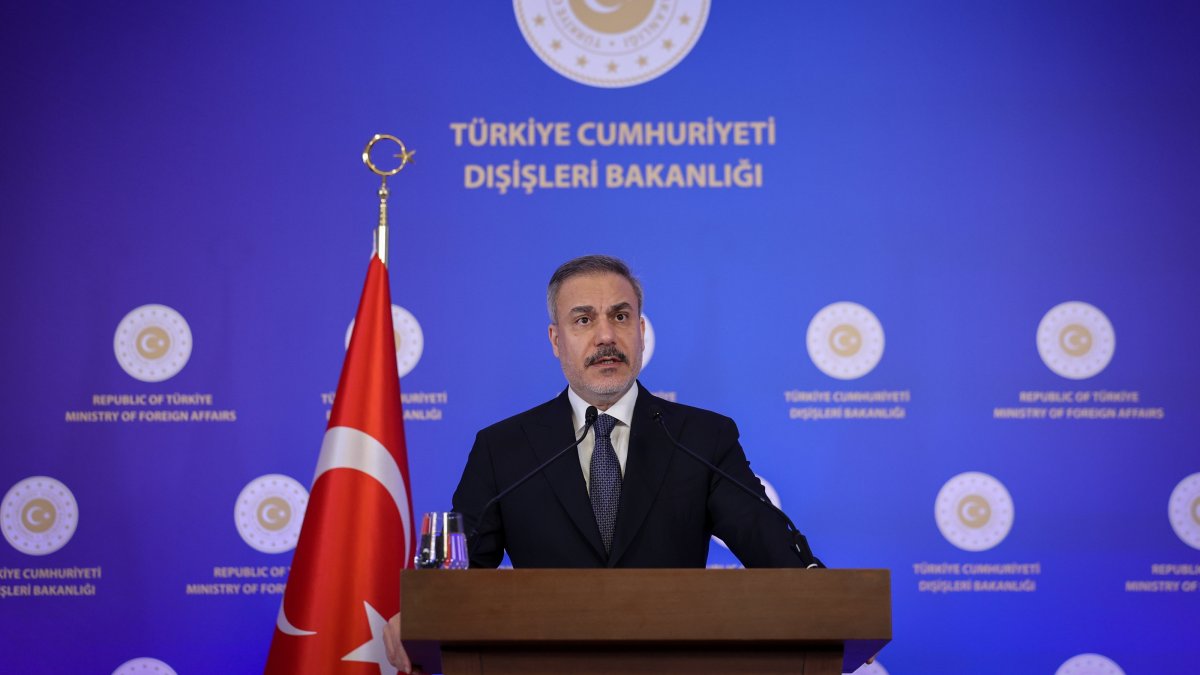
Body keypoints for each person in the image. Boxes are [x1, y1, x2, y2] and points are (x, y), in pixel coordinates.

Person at [385, 254, 821, 671]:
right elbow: (458, 579)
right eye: (583, 319)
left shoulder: (702, 439)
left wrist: (820, 590)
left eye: (620, 316)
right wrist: (424, 612)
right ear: (557, 340)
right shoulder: (504, 448)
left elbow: (772, 551)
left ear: (642, 332)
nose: (606, 336)